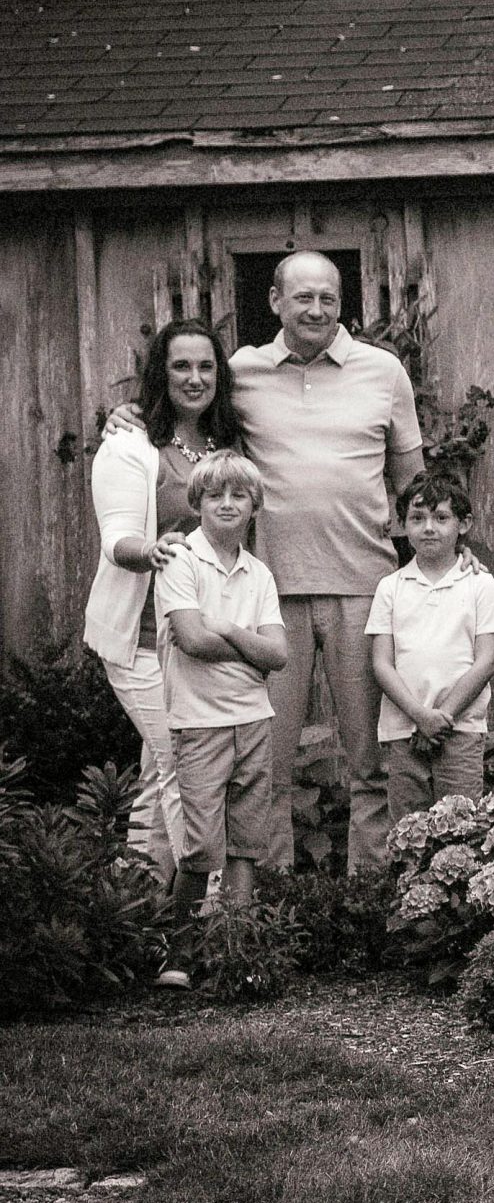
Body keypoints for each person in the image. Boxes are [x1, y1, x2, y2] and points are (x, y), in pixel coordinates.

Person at [107, 250, 427, 874]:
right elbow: (185, 413)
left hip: (365, 589)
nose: (316, 309)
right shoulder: (240, 372)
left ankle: (373, 898)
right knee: (264, 765)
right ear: (276, 302)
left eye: (328, 298)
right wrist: (131, 417)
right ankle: (271, 907)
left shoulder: (384, 372)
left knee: (371, 761)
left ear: (343, 304)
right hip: (266, 598)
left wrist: (426, 576)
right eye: (302, 297)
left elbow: (415, 485)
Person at [86, 318, 245, 888]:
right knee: (185, 769)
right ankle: (205, 916)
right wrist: (150, 550)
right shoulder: (129, 442)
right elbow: (116, 539)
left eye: (206, 366)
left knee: (159, 776)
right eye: (181, 365)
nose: (195, 377)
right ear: (160, 373)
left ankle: (133, 906)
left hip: (198, 642)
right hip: (143, 642)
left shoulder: (226, 443)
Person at [155, 452, 288, 985]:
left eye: (238, 495)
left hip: (254, 719)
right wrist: (249, 645)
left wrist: (231, 632)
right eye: (215, 495)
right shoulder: (180, 560)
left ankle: (237, 955)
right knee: (202, 847)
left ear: (254, 505)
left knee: (246, 844)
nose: (227, 504)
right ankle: (178, 954)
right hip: (200, 721)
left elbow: (278, 655)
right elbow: (191, 640)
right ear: (198, 503)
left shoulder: (258, 573)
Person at [366, 473, 494, 827]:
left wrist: (442, 717)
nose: (429, 528)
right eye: (418, 518)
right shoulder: (390, 588)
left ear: (464, 525)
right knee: (408, 834)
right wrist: (420, 716)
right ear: (403, 525)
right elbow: (382, 663)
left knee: (461, 831)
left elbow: (486, 659)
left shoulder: (479, 583)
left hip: (460, 729)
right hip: (404, 731)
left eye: (441, 518)